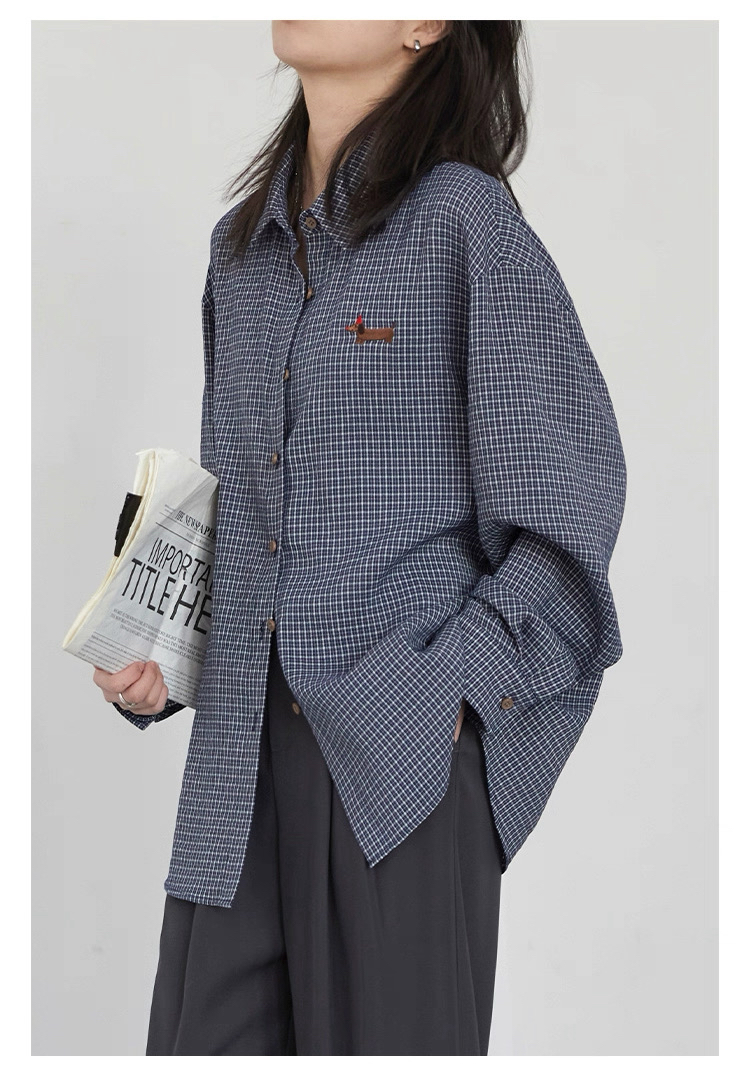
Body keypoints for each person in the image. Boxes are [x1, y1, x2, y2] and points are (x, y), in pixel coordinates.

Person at [92, 20, 627, 1056]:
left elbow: (570, 509)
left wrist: (446, 694)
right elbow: (251, 518)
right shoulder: (239, 252)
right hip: (233, 776)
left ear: (429, 23)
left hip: (396, 772)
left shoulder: (463, 221)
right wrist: (163, 658)